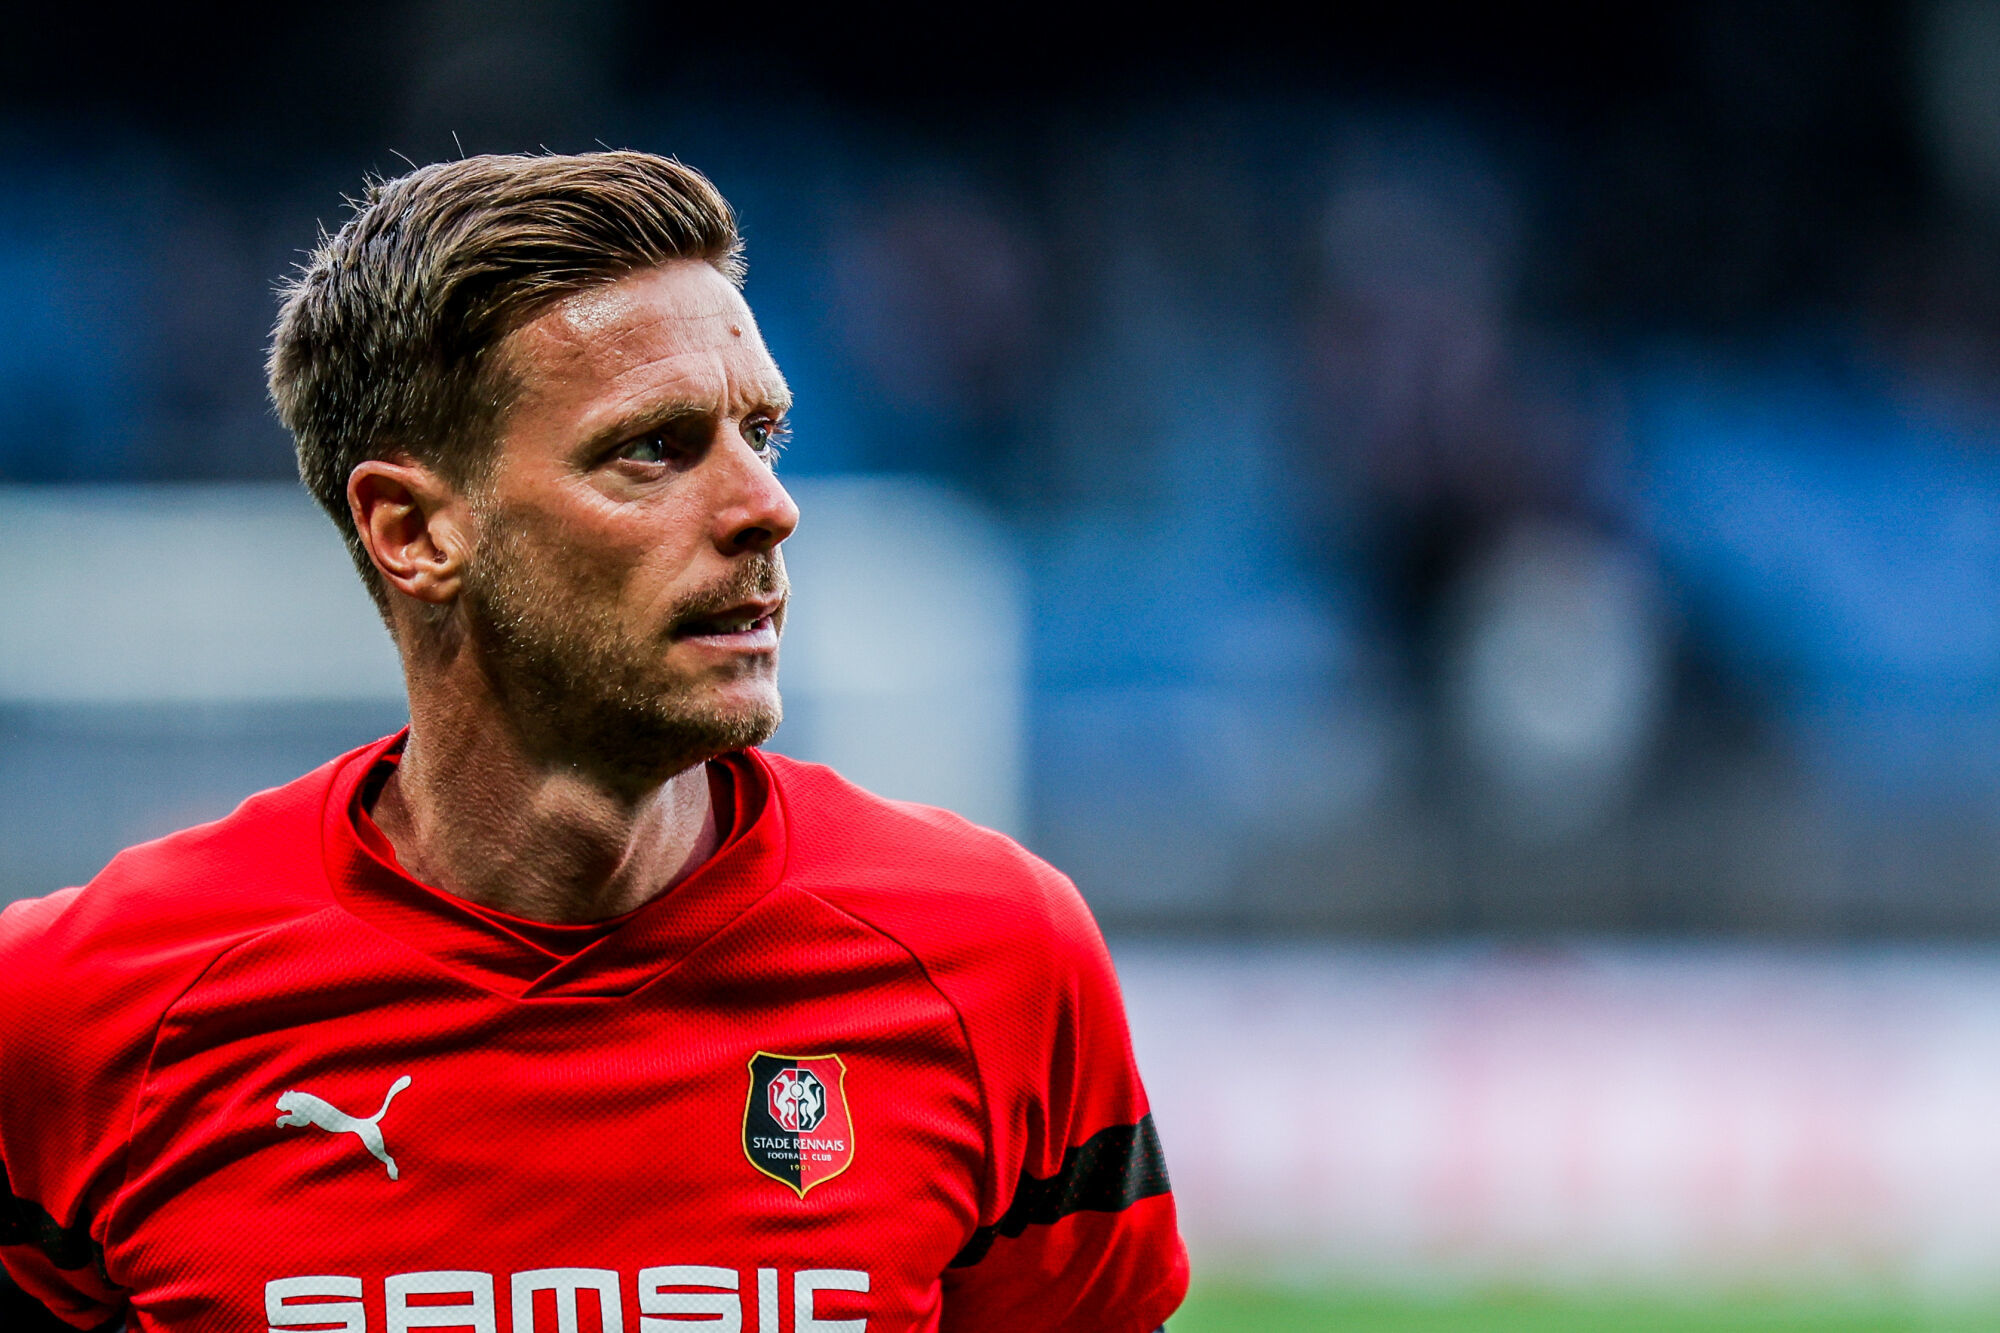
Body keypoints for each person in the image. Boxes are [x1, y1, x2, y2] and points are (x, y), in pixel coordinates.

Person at [0, 152, 1187, 1332]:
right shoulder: (71, 1015)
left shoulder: (996, 963)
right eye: (654, 448)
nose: (767, 507)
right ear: (412, 530)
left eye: (760, 434)